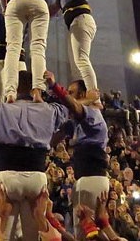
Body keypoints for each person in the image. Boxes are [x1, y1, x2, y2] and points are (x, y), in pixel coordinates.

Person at [0, 69, 89, 241]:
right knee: (33, 237)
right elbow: (74, 107)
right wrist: (87, 98)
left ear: (13, 85)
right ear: (35, 87)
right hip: (36, 177)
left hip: (7, 176)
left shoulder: (0, 109)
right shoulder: (50, 110)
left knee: (1, 235)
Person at [46, 73, 109, 241]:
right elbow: (52, 140)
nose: (67, 96)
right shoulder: (76, 121)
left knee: (87, 233)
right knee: (85, 231)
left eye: (71, 92)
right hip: (86, 179)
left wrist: (55, 86)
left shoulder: (93, 115)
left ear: (81, 95)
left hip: (92, 178)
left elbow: (72, 107)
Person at [47, 0, 98, 93]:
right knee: (77, 64)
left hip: (81, 20)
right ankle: (82, 94)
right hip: (76, 23)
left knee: (81, 60)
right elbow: (50, 11)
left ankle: (95, 97)